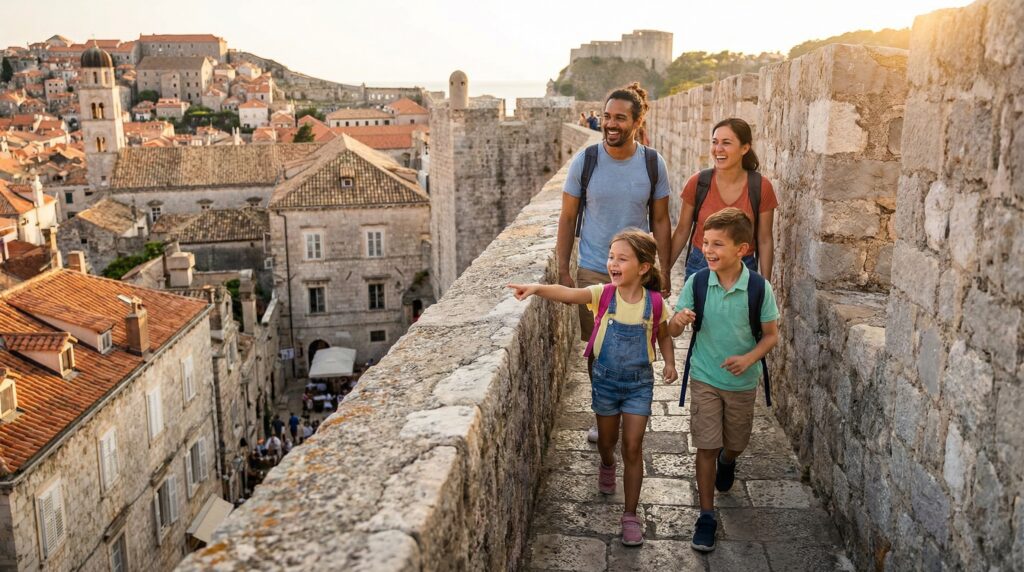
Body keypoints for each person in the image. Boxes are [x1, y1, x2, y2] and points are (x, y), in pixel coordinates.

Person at [510, 229, 677, 547]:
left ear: (643, 267)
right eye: (611, 256)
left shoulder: (654, 303)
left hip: (639, 384)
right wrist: (536, 288)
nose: (612, 262)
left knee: (633, 447)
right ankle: (606, 463)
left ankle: (630, 515)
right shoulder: (604, 294)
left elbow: (664, 333)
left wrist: (669, 362)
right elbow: (567, 294)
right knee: (608, 441)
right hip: (605, 382)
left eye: (621, 258)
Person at [556, 82, 673, 444]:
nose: (610, 124)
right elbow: (567, 214)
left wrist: (664, 269)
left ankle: (630, 407)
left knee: (636, 346)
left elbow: (662, 220)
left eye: (620, 118)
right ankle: (603, 413)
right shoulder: (586, 161)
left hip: (638, 271)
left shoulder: (653, 164)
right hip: (595, 266)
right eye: (606, 116)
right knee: (597, 347)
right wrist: (563, 266)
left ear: (637, 121)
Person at [667, 208, 780, 552]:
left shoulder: (759, 289)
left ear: (741, 250)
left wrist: (748, 359)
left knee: (736, 442)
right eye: (705, 243)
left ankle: (729, 461)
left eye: (717, 244)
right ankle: (706, 516)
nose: (708, 250)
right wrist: (680, 320)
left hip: (742, 384)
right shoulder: (697, 282)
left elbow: (771, 336)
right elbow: (670, 329)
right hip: (704, 377)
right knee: (706, 445)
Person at [669, 118, 778, 283]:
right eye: (714, 142)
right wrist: (664, 272)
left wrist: (765, 285)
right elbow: (682, 230)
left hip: (743, 268)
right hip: (701, 266)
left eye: (726, 143)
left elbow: (764, 239)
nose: (718, 149)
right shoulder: (698, 183)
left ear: (745, 148)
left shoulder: (760, 187)